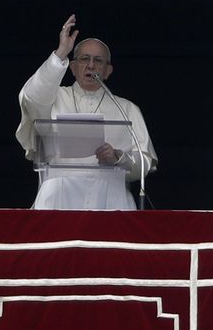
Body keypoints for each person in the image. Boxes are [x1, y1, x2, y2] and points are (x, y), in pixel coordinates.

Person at [15, 14, 158, 210]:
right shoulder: (54, 97)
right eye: (84, 59)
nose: (91, 65)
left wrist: (119, 157)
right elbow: (30, 98)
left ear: (108, 70)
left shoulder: (126, 109)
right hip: (59, 198)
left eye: (98, 60)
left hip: (110, 203)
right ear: (73, 67)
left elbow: (145, 162)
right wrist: (61, 53)